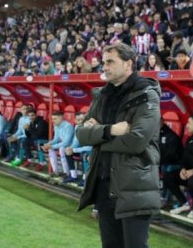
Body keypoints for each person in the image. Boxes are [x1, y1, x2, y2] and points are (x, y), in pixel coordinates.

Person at [76, 43, 161, 248]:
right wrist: (110, 130)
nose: (104, 67)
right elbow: (81, 134)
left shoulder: (146, 94)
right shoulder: (102, 95)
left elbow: (136, 141)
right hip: (105, 187)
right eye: (104, 62)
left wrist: (98, 139)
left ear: (128, 64)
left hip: (134, 187)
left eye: (110, 62)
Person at [41, 111, 74, 176]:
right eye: (52, 119)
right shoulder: (56, 125)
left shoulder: (68, 126)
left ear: (61, 118)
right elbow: (56, 139)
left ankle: (66, 173)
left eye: (55, 119)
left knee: (61, 149)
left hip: (71, 145)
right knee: (51, 149)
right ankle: (56, 171)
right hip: (63, 145)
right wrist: (48, 144)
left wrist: (52, 146)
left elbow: (67, 142)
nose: (53, 121)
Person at [63, 112, 92, 184]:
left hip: (91, 151)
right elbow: (76, 142)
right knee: (67, 152)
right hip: (81, 150)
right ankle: (73, 176)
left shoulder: (90, 129)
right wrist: (71, 148)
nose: (80, 121)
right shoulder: (77, 127)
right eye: (78, 120)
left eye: (82, 119)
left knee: (85, 156)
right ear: (75, 121)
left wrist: (75, 149)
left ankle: (86, 179)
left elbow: (90, 147)